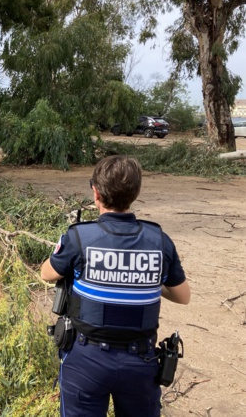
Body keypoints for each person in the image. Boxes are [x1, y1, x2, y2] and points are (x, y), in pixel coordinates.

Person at [41, 155, 190, 417]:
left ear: (95, 193)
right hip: (140, 361)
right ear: (136, 193)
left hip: (85, 360)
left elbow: (47, 273)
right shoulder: (160, 240)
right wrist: (143, 276)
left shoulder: (78, 237)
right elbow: (182, 296)